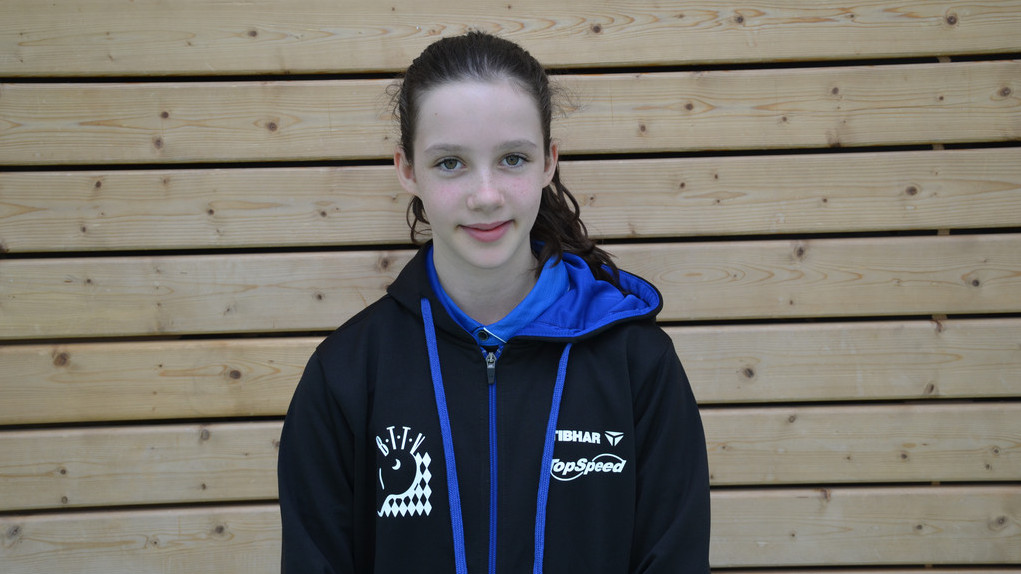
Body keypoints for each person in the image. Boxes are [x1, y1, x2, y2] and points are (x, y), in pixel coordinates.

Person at [277, 31, 710, 573]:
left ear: (548, 163)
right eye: (450, 163)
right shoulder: (345, 375)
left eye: (512, 158)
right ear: (407, 170)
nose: (486, 196)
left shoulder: (638, 365)